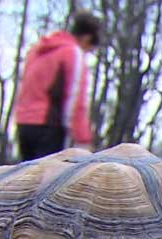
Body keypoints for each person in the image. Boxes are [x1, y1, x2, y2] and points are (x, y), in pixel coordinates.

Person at [13, 11, 101, 161]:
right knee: (49, 181)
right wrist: (82, 139)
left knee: (27, 180)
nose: (86, 53)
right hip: (48, 125)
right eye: (89, 49)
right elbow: (74, 101)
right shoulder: (72, 53)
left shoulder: (37, 50)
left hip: (23, 123)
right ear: (87, 38)